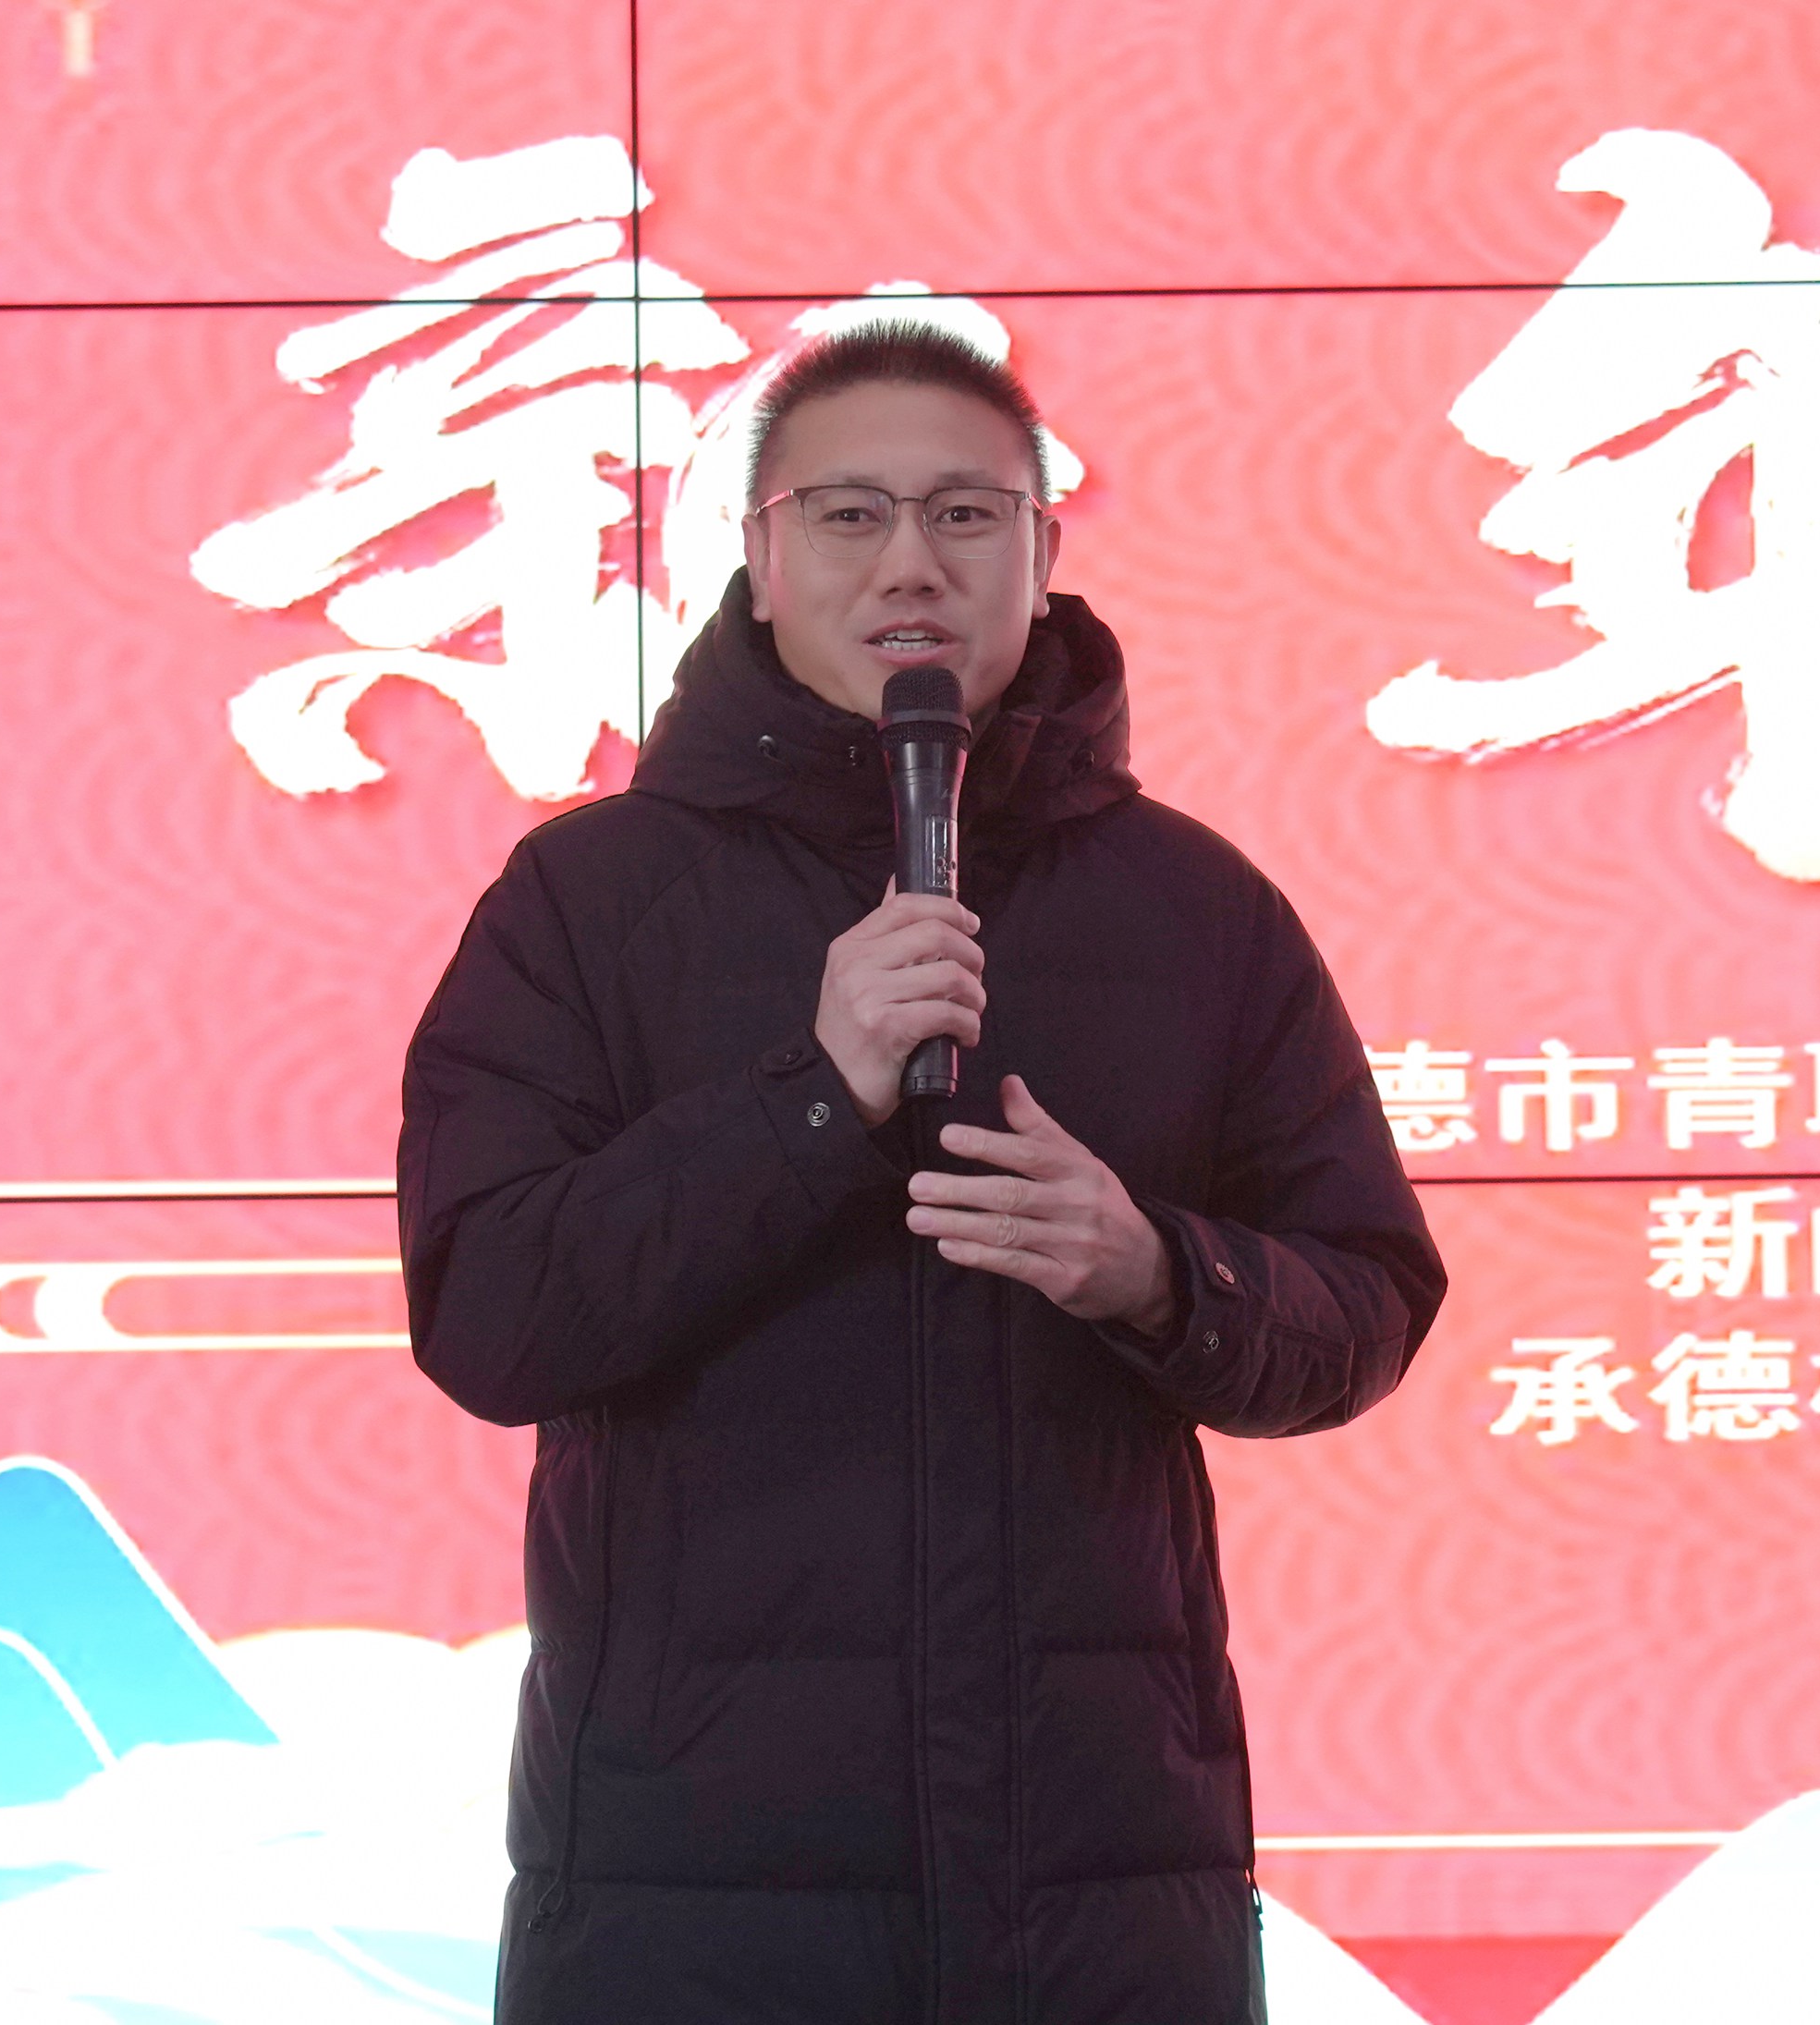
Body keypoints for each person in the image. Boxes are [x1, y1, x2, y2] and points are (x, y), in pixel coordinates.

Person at [398, 322, 1446, 2022]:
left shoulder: (1194, 907)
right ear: (758, 558)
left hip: (1103, 1876)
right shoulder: (586, 901)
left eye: (966, 514)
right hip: (689, 1884)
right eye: (848, 514)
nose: (909, 563)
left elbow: (1367, 1300)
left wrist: (1156, 1273)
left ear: (1043, 553)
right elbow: (491, 1317)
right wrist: (809, 1095)